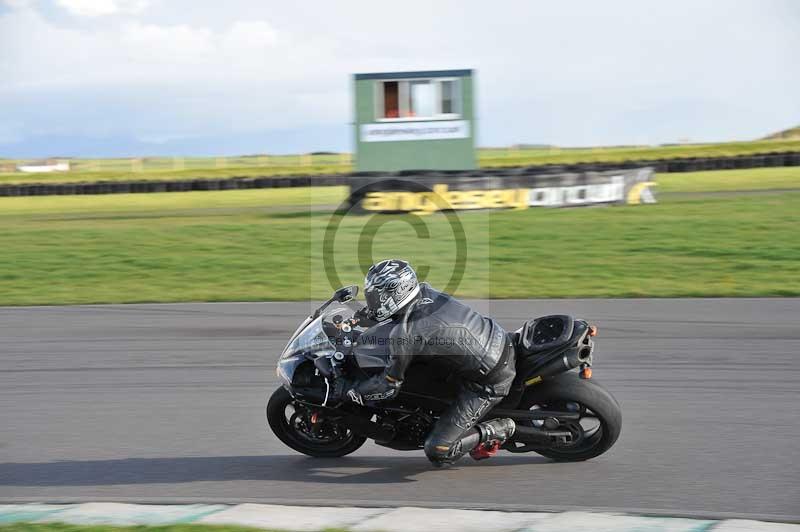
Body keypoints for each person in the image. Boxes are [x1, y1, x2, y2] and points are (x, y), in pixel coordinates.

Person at [338, 259, 517, 467]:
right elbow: (385, 313)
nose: (373, 300)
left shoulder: (406, 333)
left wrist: (354, 392)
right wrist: (358, 319)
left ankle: (503, 427)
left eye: (376, 296)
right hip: (496, 340)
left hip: (489, 380)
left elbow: (389, 387)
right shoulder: (424, 292)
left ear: (396, 293)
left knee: (439, 451)